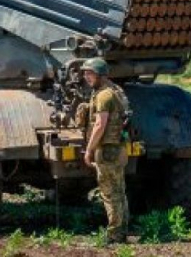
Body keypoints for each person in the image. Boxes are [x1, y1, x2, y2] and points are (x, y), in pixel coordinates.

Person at [78, 57, 129, 243]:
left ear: (100, 75)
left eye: (90, 73)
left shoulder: (103, 96)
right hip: (117, 148)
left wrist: (89, 150)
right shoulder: (114, 91)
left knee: (109, 193)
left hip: (107, 150)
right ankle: (122, 231)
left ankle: (115, 235)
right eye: (85, 73)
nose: (86, 77)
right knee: (119, 190)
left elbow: (100, 124)